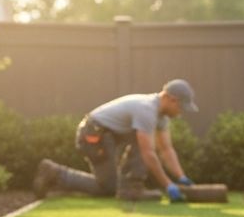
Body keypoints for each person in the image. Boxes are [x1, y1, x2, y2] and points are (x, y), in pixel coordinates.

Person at [32, 79, 198, 202]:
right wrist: (168, 184)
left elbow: (166, 149)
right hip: (94, 135)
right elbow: (148, 154)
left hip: (107, 135)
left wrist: (181, 177)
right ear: (171, 99)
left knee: (141, 140)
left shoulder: (161, 116)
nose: (180, 112)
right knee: (107, 188)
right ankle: (55, 173)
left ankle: (131, 188)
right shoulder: (146, 110)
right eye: (180, 107)